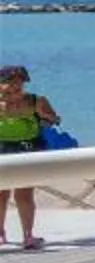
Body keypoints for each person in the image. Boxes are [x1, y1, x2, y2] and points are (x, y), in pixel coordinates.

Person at [0, 64, 63, 251]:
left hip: (27, 147)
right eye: (9, 83)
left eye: (19, 83)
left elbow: (56, 119)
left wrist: (45, 117)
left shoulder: (36, 101)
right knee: (0, 193)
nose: (15, 87)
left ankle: (28, 235)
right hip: (1, 147)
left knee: (24, 193)